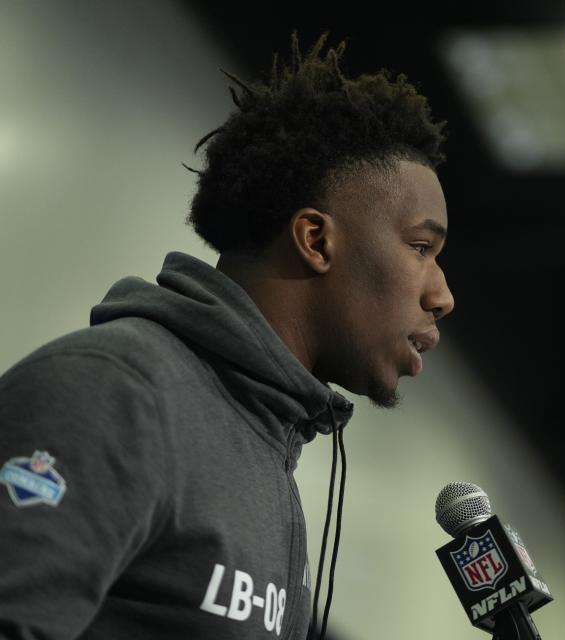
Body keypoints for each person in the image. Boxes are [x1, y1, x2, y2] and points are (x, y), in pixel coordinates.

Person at [0, 31, 454, 639]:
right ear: (316, 240)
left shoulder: (267, 452)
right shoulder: (115, 393)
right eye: (421, 248)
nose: (442, 296)